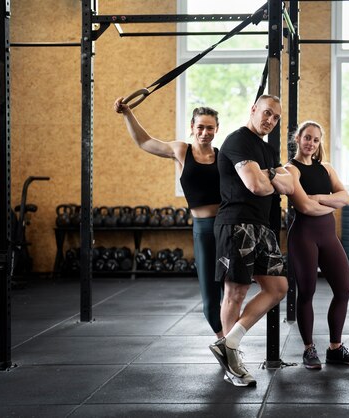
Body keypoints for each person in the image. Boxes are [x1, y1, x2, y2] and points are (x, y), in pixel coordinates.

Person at [114, 98, 224, 339]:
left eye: (210, 128)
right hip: (204, 230)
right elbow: (144, 141)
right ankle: (223, 342)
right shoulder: (180, 151)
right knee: (210, 296)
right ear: (192, 127)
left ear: (217, 129)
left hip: (227, 227)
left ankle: (232, 342)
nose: (205, 132)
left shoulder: (222, 156)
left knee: (233, 290)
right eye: (200, 127)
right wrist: (127, 114)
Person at [209, 95, 294, 387]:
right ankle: (231, 364)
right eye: (267, 113)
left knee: (278, 287)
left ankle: (229, 342)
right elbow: (257, 186)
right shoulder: (238, 141)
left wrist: (267, 173)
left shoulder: (268, 150)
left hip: (263, 227)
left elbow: (290, 184)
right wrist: (271, 177)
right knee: (236, 292)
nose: (270, 120)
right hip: (235, 224)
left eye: (276, 117)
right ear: (254, 109)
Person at [284, 121, 349, 370]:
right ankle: (308, 349)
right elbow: (304, 207)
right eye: (307, 138)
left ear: (320, 143)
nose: (311, 143)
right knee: (306, 293)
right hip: (304, 236)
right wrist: (329, 203)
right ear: (297, 138)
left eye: (316, 140)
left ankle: (335, 349)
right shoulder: (290, 170)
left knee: (344, 289)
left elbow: (345, 197)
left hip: (328, 236)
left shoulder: (326, 168)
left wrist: (317, 198)